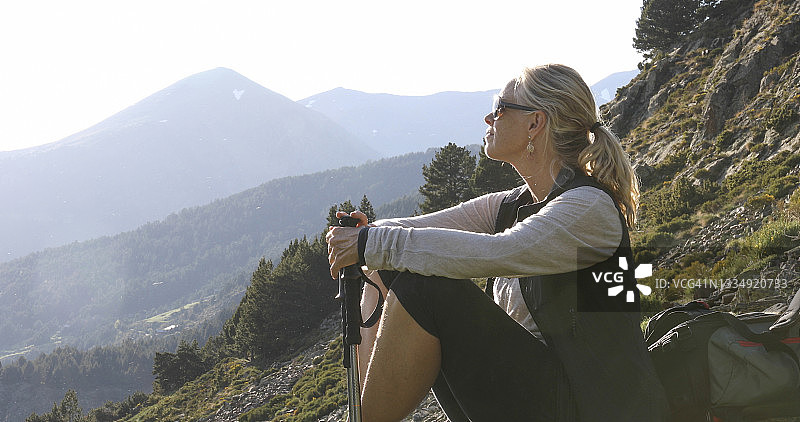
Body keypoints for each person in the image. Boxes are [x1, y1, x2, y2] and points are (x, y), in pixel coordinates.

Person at [326, 64, 668, 422]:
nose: (489, 118)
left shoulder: (588, 207)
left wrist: (370, 243)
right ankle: (362, 415)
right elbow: (418, 229)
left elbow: (501, 251)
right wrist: (367, 233)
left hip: (595, 409)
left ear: (535, 123)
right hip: (547, 398)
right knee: (387, 267)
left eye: (500, 107)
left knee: (422, 289)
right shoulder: (515, 203)